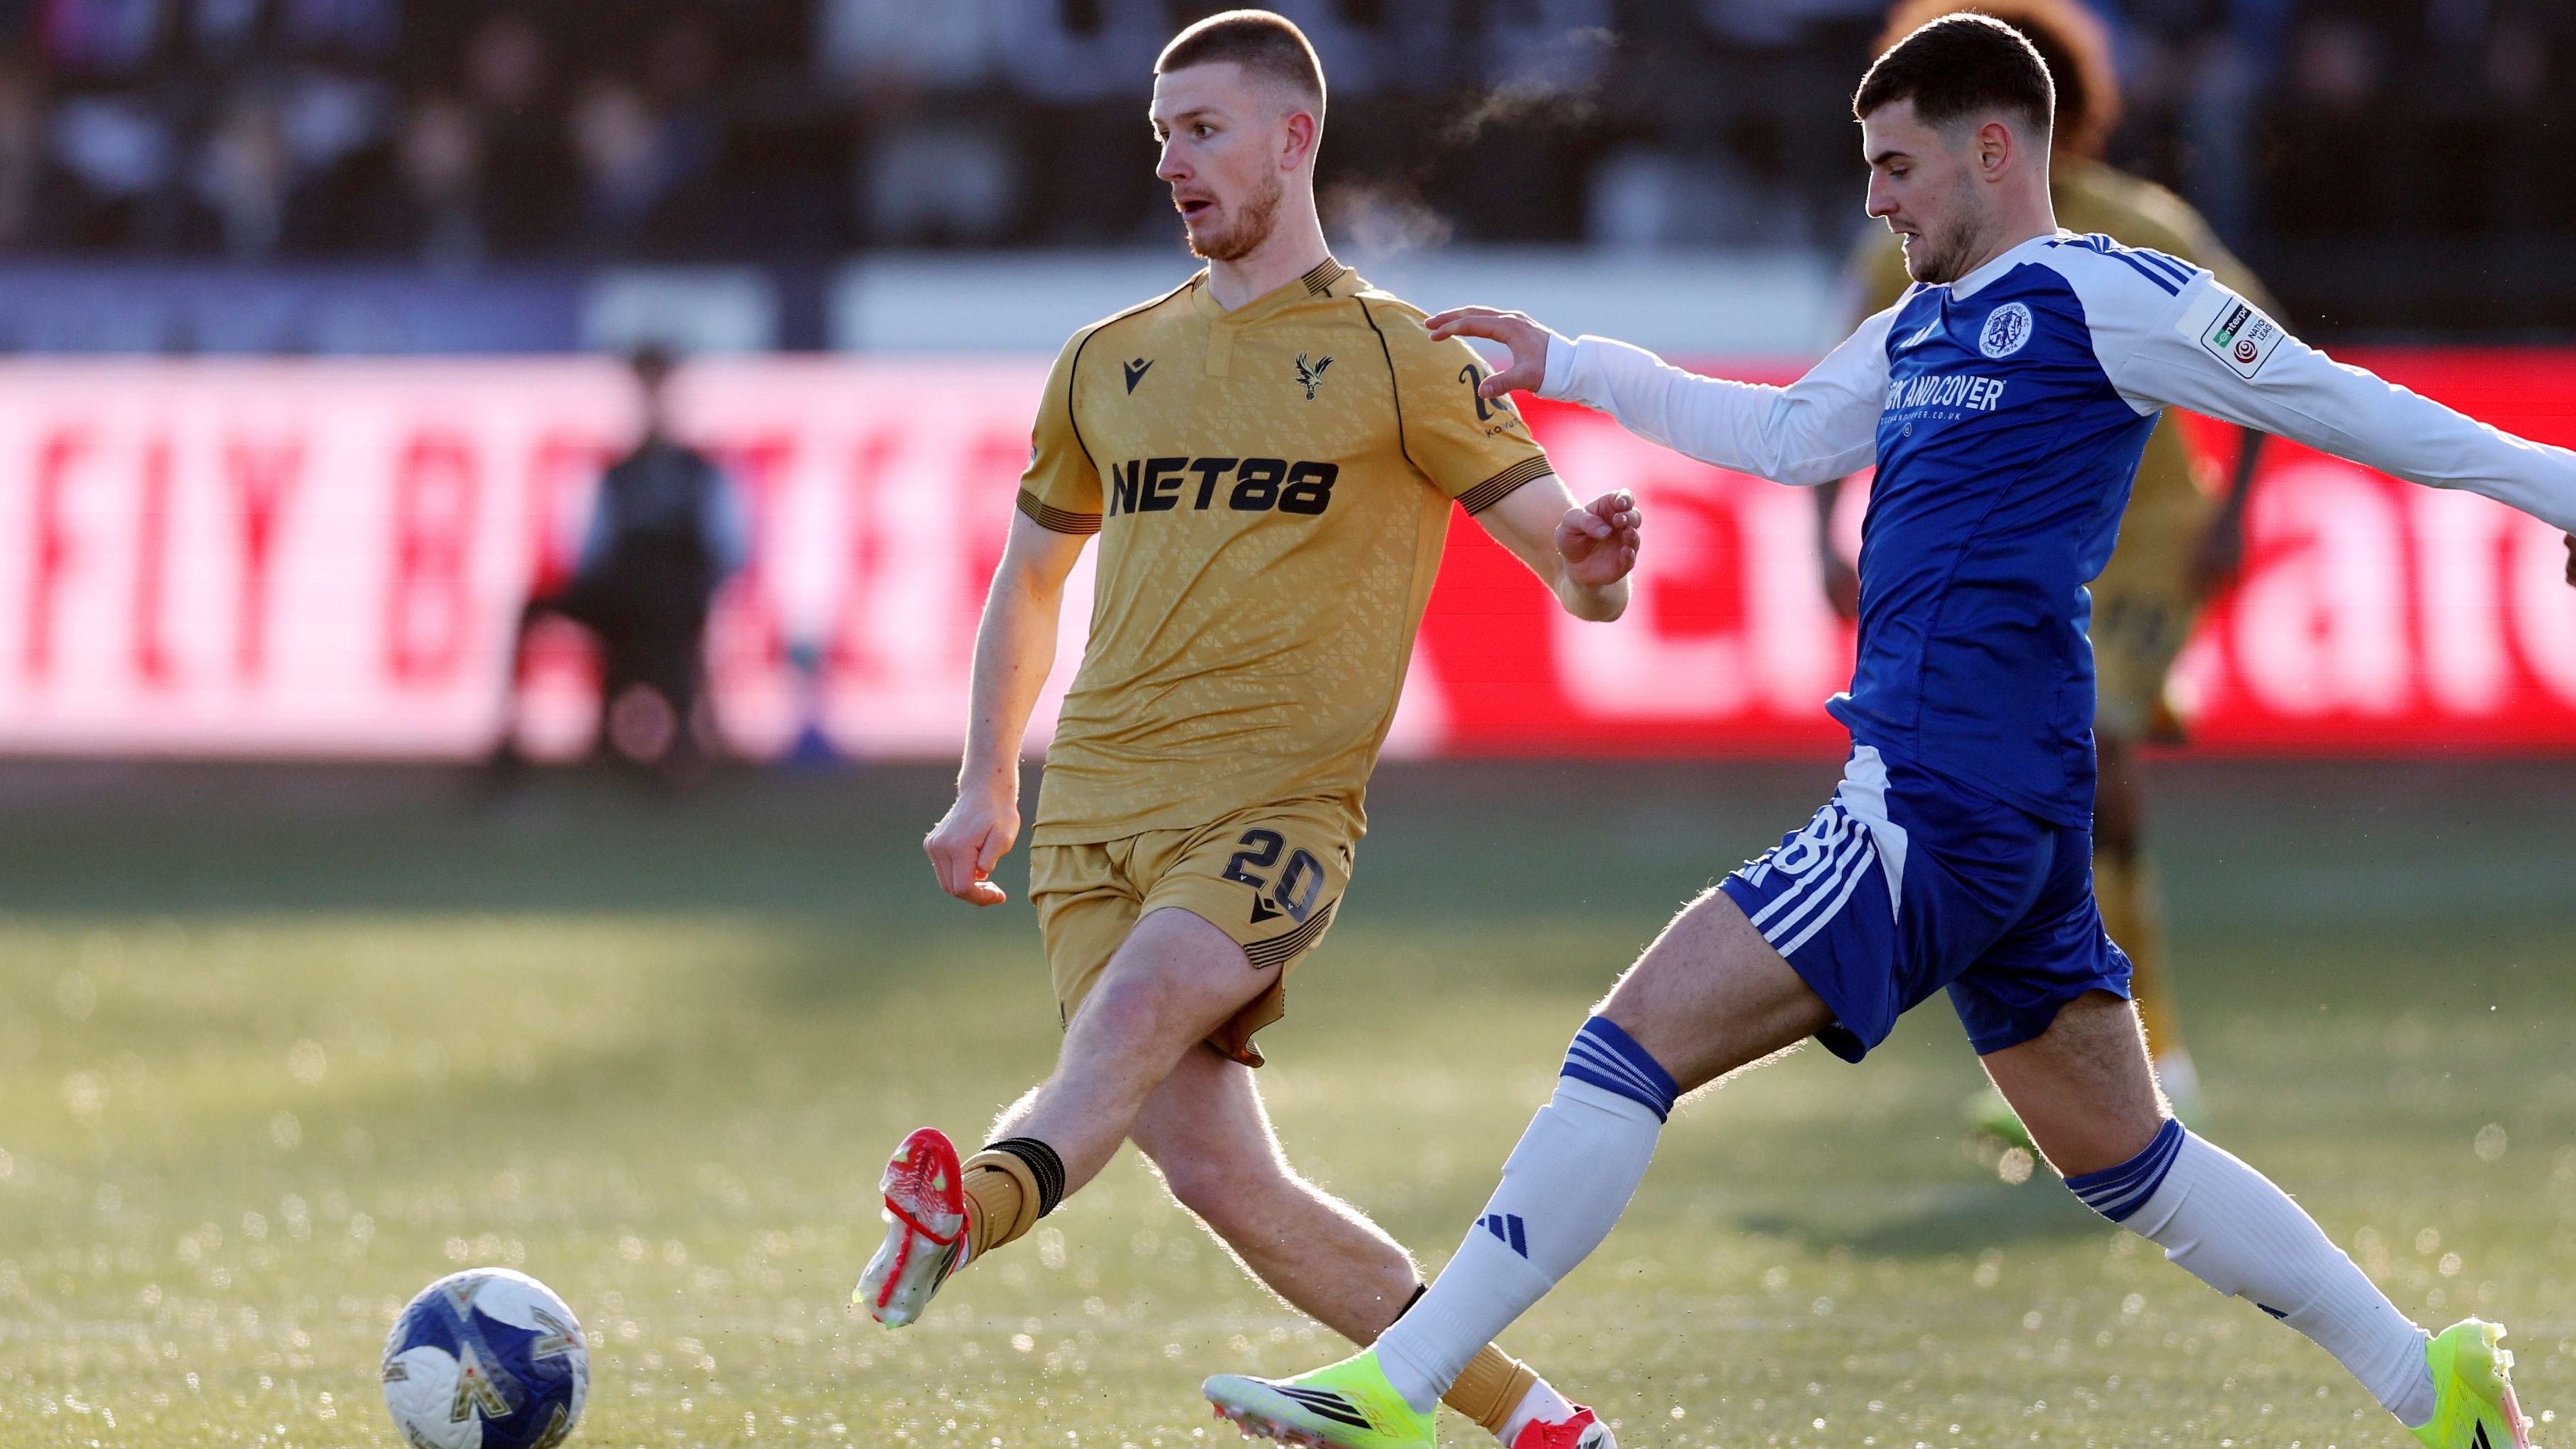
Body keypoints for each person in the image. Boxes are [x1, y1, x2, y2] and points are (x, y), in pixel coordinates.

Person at [1205, 17, 2576, 1449]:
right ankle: (2432, 1386)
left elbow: (2338, 403)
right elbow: (1783, 435)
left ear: (1991, 150)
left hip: (1936, 799)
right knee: (2128, 1159)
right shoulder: (1914, 325)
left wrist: (2556, 488)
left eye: (1895, 166)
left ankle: (1401, 1385)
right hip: (2007, 817)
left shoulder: (2109, 296)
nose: (1874, 198)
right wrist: (1570, 360)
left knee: (1630, 1041)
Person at [856, 16, 1642, 1449]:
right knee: (1224, 1178)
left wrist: (1592, 566)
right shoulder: (1105, 358)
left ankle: (965, 1210)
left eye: (1203, 129)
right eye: (1161, 133)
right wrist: (983, 781)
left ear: (1294, 139)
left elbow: (1570, 567)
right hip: (1091, 821)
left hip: (1270, 816)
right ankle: (1540, 1426)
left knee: (1138, 1012)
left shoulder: (1398, 354)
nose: (1172, 160)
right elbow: (1028, 580)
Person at [1819, 0, 2277, 1142]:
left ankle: (2152, 1053)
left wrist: (2236, 513)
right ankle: (2084, 1052)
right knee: (2040, 786)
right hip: (2015, 556)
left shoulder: (2138, 227)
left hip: (2149, 535)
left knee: (2097, 750)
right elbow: (1830, 395)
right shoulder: (1907, 249)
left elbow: (2266, 349)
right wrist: (1826, 532)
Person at [490, 344, 748, 782]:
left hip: (676, 600)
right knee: (535, 608)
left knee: (666, 612)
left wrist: (697, 590)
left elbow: (728, 551)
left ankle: (680, 746)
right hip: (622, 595)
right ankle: (511, 743)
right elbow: (593, 553)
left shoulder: (701, 473)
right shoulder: (619, 472)